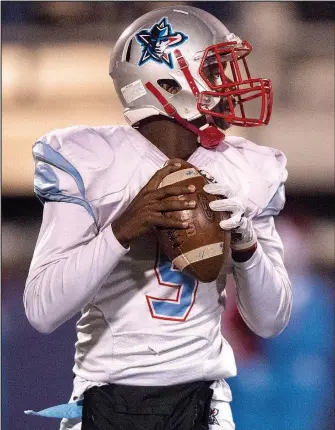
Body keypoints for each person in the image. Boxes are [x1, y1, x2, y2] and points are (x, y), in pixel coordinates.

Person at [24, 5, 292, 430]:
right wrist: (124, 227)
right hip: (105, 398)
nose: (228, 85)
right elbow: (42, 310)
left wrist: (246, 246)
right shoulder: (90, 159)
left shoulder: (249, 168)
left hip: (202, 399)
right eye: (215, 70)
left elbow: (270, 321)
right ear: (165, 82)